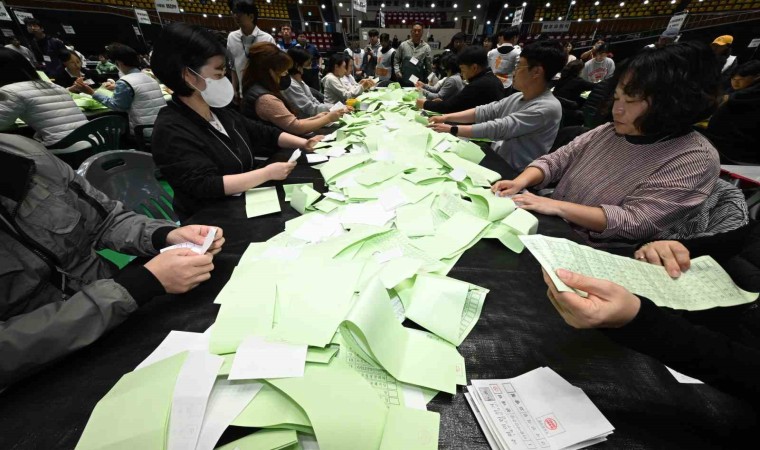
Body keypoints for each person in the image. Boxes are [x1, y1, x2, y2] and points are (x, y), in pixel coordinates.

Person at [0, 133, 223, 388]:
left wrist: (166, 235)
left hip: (126, 313)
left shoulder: (26, 156)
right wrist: (134, 287)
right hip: (41, 372)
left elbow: (106, 220)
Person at [490, 42, 724, 245]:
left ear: (674, 103)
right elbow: (557, 160)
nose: (617, 110)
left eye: (631, 101)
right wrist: (520, 181)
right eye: (617, 98)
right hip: (554, 228)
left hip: (596, 251)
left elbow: (636, 221)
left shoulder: (695, 158)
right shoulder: (609, 131)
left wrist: (555, 206)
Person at [541, 223, 760, 404]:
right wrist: (667, 249)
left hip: (717, 369)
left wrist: (638, 322)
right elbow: (731, 243)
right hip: (696, 318)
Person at [150, 23, 323, 220]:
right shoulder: (171, 129)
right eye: (217, 73)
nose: (223, 79)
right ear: (188, 75)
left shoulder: (220, 111)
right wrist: (266, 173)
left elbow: (261, 132)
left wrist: (303, 143)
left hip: (246, 205)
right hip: (212, 220)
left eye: (224, 72)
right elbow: (205, 185)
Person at [428, 41, 564, 171]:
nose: (514, 72)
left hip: (514, 173)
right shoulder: (517, 96)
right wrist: (445, 118)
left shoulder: (547, 108)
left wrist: (452, 129)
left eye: (518, 66)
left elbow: (500, 127)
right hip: (496, 159)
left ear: (536, 72)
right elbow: (486, 111)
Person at [241, 42, 344, 135]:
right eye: (283, 71)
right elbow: (296, 127)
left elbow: (292, 122)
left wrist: (318, 117)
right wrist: (328, 118)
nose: (285, 74)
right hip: (272, 151)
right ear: (270, 71)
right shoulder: (265, 99)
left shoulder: (259, 89)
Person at [0, 48, 88, 147]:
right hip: (93, 140)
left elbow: (2, 123)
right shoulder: (51, 85)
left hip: (65, 148)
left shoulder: (9, 91)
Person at [75, 44, 166, 137]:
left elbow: (118, 107)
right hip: (163, 127)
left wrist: (92, 93)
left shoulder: (125, 82)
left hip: (144, 131)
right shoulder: (148, 77)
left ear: (119, 62)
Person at [416, 45, 504, 114]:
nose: (462, 74)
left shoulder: (479, 84)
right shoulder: (493, 79)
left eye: (463, 69)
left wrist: (425, 104)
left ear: (474, 67)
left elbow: (453, 106)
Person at [704, 60, 760, 164]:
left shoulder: (741, 98)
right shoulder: (733, 93)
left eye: (739, 79)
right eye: (733, 79)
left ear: (756, 77)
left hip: (732, 150)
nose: (735, 82)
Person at [227, 0, 275, 99]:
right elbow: (233, 66)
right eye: (234, 13)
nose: (235, 16)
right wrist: (233, 88)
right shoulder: (232, 37)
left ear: (251, 17)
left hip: (264, 95)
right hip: (242, 94)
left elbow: (273, 69)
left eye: (239, 13)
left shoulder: (267, 39)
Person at [282, 47, 334, 118]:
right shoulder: (291, 84)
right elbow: (309, 108)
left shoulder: (299, 80)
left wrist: (331, 108)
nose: (310, 66)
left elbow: (314, 101)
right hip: (303, 121)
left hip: (314, 117)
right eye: (307, 64)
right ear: (297, 65)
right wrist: (333, 108)